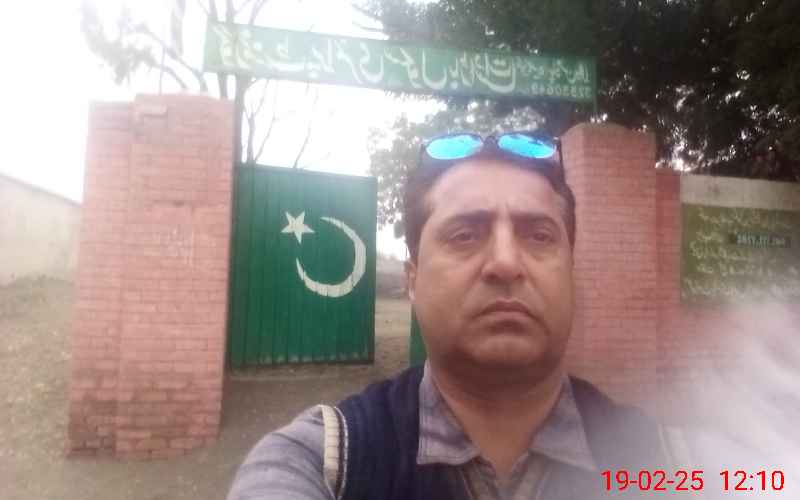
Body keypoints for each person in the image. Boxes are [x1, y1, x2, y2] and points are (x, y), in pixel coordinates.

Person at [227, 131, 692, 500]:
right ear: (413, 279)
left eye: (539, 236)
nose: (505, 263)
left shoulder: (675, 466)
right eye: (465, 235)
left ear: (571, 273)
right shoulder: (325, 463)